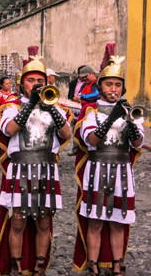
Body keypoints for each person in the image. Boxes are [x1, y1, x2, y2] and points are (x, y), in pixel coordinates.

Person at [0, 56, 72, 276]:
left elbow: (67, 133)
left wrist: (50, 106)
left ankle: (39, 267)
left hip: (46, 170)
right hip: (20, 169)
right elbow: (8, 130)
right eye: (31, 80)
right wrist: (30, 106)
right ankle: (17, 267)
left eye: (40, 80)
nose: (36, 84)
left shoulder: (57, 108)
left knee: (43, 222)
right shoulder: (11, 106)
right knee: (17, 222)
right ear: (22, 84)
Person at [72, 56, 143, 276]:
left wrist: (130, 121)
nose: (114, 88)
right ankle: (92, 262)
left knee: (117, 221)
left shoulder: (129, 110)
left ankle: (118, 263)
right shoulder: (90, 110)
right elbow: (91, 140)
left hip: (122, 172)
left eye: (118, 84)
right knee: (95, 221)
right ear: (100, 86)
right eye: (109, 84)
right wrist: (113, 116)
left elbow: (138, 142)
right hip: (96, 171)